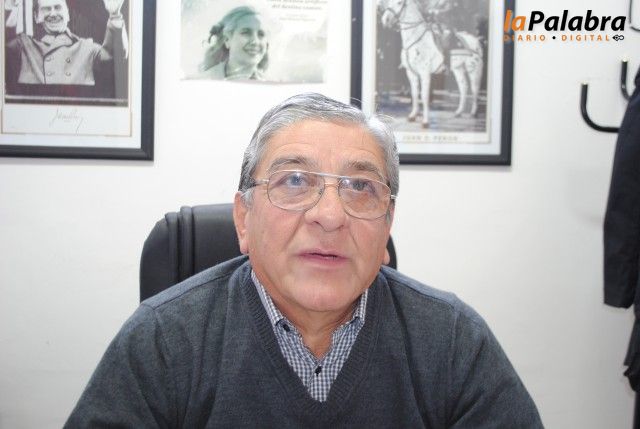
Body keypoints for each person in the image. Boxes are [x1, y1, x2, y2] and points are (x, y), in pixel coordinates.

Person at [65, 93, 543, 428]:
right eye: (294, 180)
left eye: (360, 186)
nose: (330, 216)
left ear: (387, 226)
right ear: (244, 219)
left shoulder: (453, 340)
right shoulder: (162, 340)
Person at [4, 0, 127, 86]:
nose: (53, 14)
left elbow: (114, 58)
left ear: (67, 14)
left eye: (58, 7)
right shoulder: (24, 46)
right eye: (46, 9)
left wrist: (115, 15)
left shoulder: (85, 47)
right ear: (36, 17)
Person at [198, 6, 269, 81]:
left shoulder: (268, 85)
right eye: (246, 32)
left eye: (261, 34)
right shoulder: (203, 82)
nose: (255, 41)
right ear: (227, 39)